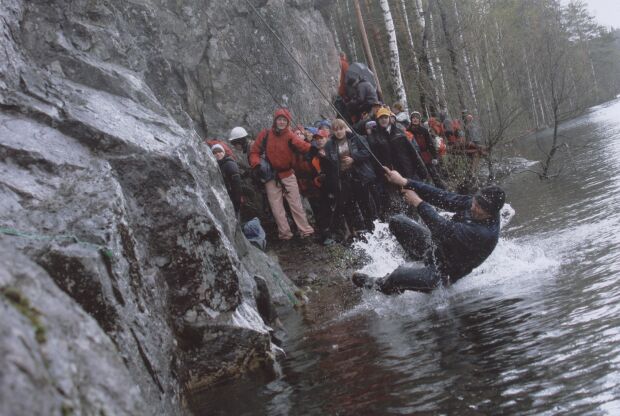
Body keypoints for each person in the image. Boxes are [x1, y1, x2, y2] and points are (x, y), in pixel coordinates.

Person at [353, 168, 505, 294]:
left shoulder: (484, 233)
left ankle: (382, 285)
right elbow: (444, 198)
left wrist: (417, 202)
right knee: (397, 222)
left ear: (491, 213)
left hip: (442, 273)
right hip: (435, 250)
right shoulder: (476, 204)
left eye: (479, 207)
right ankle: (415, 267)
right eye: (475, 202)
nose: (473, 207)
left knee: (398, 275)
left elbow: (442, 228)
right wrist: (405, 182)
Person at [249, 108, 316, 240]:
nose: (281, 122)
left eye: (284, 120)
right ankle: (285, 234)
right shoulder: (265, 134)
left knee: (296, 205)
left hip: (288, 173)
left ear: (288, 122)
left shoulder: (290, 135)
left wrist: (312, 145)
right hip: (270, 176)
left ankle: (305, 231)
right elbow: (254, 151)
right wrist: (256, 165)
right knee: (276, 208)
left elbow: (303, 146)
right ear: (275, 120)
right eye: (279, 119)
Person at [321, 118, 378, 240]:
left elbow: (367, 152)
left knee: (365, 203)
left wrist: (353, 158)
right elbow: (329, 164)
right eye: (336, 130)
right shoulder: (329, 145)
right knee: (351, 205)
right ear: (333, 131)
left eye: (341, 129)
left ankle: (373, 227)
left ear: (344, 128)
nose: (339, 132)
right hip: (343, 179)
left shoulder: (355, 138)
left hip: (359, 175)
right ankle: (360, 231)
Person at [407, 111, 446, 189]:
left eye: (417, 118)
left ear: (419, 119)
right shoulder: (408, 131)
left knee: (434, 174)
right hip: (415, 156)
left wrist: (434, 157)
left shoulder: (424, 130)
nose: (415, 119)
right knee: (422, 176)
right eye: (413, 118)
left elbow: (430, 144)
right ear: (411, 119)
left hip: (426, 155)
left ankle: (442, 190)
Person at [212, 144, 242, 217]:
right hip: (226, 198)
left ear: (224, 152)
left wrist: (236, 202)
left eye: (220, 151)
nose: (218, 154)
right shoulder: (219, 165)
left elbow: (236, 184)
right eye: (215, 153)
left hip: (232, 199)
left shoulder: (229, 164)